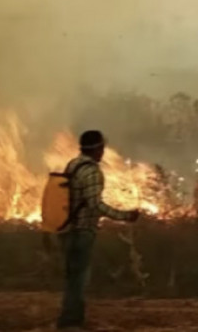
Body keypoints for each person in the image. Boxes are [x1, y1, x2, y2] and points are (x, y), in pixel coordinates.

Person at [57, 130, 140, 330]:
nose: (103, 151)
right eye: (102, 147)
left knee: (72, 277)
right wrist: (124, 216)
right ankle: (71, 321)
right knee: (80, 278)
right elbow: (95, 205)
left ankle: (69, 318)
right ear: (98, 148)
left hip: (66, 229)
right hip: (82, 231)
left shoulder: (73, 165)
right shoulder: (92, 171)